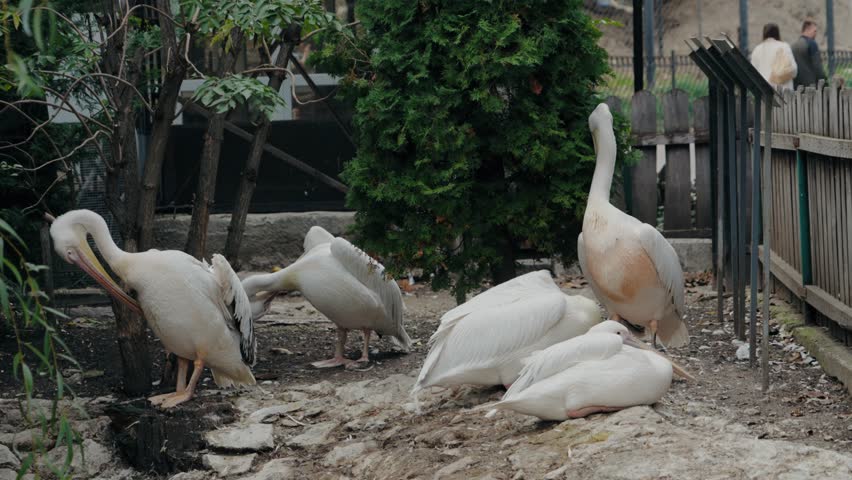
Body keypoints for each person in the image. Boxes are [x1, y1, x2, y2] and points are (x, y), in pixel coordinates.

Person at [750, 23, 797, 90]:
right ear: (778, 34)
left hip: (763, 91)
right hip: (782, 91)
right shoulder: (784, 47)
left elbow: (753, 73)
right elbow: (794, 70)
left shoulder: (756, 50)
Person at [791, 19, 827, 88]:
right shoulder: (811, 44)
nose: (815, 34)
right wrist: (825, 83)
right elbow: (818, 68)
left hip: (796, 87)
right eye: (814, 31)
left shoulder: (793, 46)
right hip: (811, 88)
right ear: (807, 29)